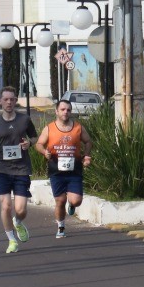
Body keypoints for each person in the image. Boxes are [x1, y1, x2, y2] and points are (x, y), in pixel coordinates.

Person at [0, 87, 38, 253]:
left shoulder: (24, 120)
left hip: (21, 168)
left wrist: (30, 143)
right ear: (0, 101)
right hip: (2, 168)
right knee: (6, 206)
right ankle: (12, 240)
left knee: (21, 209)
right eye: (5, 99)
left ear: (16, 101)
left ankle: (18, 223)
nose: (9, 102)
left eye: (12, 99)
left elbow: (35, 137)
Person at [37, 98, 93, 237]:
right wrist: (45, 152)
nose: (65, 112)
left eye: (68, 110)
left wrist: (86, 156)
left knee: (76, 200)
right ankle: (61, 227)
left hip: (74, 170)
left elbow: (88, 141)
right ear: (56, 111)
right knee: (60, 200)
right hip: (56, 170)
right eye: (62, 109)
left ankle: (72, 205)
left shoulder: (78, 127)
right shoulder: (49, 128)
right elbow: (38, 144)